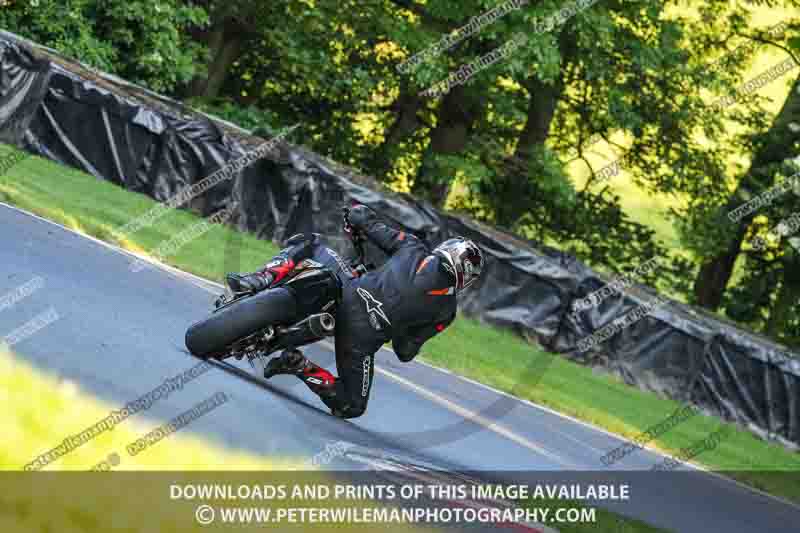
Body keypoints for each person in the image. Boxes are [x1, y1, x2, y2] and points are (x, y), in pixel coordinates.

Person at [225, 204, 484, 419]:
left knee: (312, 243)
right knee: (352, 405)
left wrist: (354, 215)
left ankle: (259, 279)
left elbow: (367, 221)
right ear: (466, 278)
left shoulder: (413, 247)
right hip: (361, 339)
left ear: (446, 248)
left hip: (347, 291)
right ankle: (300, 365)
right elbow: (404, 351)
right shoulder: (446, 311)